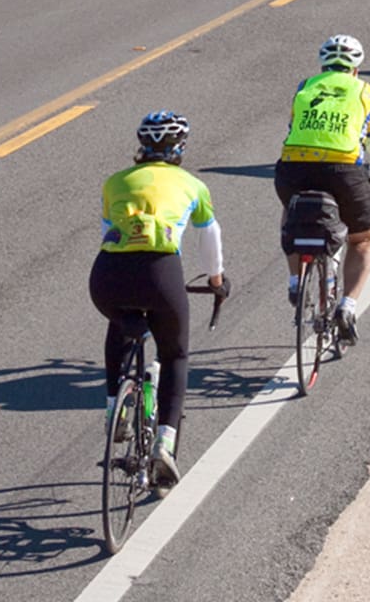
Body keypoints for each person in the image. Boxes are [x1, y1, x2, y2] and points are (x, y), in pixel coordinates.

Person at [90, 111, 226, 492]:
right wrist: (216, 282)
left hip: (107, 276)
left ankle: (113, 404)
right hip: (161, 275)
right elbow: (208, 239)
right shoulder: (192, 185)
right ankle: (165, 444)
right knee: (174, 355)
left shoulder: (114, 183)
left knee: (120, 322)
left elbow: (106, 233)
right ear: (179, 148)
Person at [274, 34, 370, 344]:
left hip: (294, 166)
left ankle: (295, 281)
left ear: (323, 64)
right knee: (363, 238)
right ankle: (348, 306)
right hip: (343, 170)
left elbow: (293, 128)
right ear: (356, 68)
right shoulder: (366, 91)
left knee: (293, 211)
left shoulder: (305, 86)